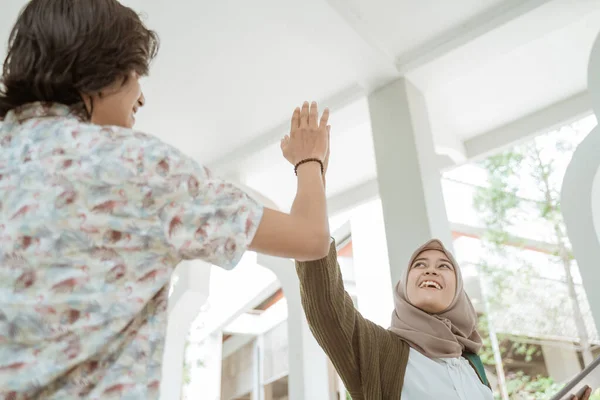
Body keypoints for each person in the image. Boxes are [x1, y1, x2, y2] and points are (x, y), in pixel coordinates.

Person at [0, 0, 331, 398]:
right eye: (135, 79)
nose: (138, 102)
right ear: (103, 74)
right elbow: (310, 238)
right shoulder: (139, 165)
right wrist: (309, 159)